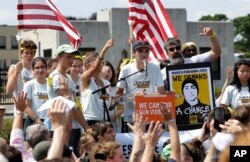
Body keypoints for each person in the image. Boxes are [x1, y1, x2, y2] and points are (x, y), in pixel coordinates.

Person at [116, 40, 165, 132]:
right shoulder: (125, 69)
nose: (144, 54)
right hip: (132, 117)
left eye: (147, 51)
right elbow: (118, 96)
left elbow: (161, 92)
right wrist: (133, 97)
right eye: (140, 51)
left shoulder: (155, 68)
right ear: (134, 53)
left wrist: (146, 97)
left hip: (151, 115)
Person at [47, 44, 88, 155]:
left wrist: (84, 126)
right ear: (59, 58)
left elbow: (75, 104)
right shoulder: (56, 77)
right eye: (68, 57)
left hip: (71, 126)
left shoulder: (67, 77)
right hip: (61, 127)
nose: (72, 60)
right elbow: (69, 105)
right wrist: (85, 126)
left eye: (72, 57)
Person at [81, 38, 122, 126]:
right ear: (88, 65)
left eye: (102, 63)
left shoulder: (106, 83)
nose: (101, 65)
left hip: (104, 121)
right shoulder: (86, 79)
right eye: (97, 62)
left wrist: (118, 102)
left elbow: (109, 106)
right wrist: (105, 48)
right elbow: (94, 68)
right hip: (90, 120)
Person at [6, 39, 37, 115]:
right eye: (26, 52)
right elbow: (9, 91)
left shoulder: (37, 69)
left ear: (34, 54)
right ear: (21, 54)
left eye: (31, 53)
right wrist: (16, 73)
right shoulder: (13, 68)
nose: (29, 55)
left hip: (35, 111)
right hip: (20, 112)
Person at [23, 57, 48, 132]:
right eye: (37, 68)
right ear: (33, 70)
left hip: (49, 122)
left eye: (42, 67)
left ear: (46, 68)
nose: (40, 70)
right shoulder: (29, 85)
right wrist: (37, 120)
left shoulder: (51, 84)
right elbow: (26, 106)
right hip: (33, 122)